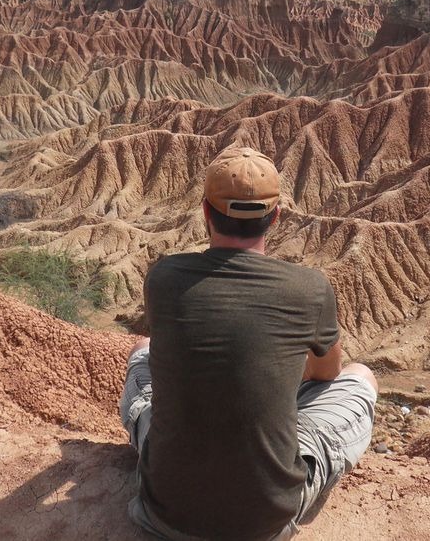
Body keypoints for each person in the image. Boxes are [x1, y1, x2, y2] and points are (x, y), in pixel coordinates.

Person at [119, 146, 378, 540]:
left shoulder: (164, 279)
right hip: (266, 523)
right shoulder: (309, 289)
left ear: (205, 211)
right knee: (361, 377)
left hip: (164, 514)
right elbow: (328, 375)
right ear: (276, 217)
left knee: (141, 352)